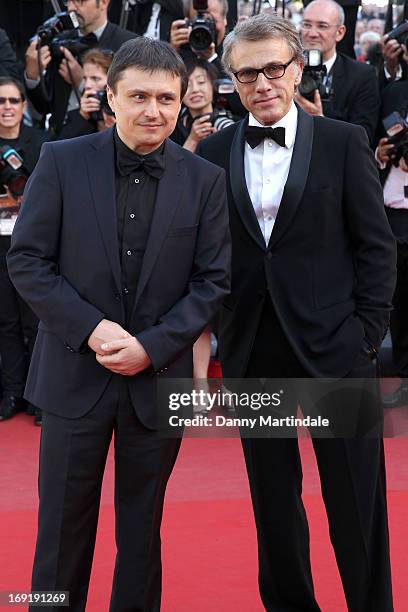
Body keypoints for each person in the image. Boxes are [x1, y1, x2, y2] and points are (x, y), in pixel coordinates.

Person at [7, 36, 230, 611]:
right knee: (58, 535)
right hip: (72, 378)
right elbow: (27, 260)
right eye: (138, 97)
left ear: (183, 103)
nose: (153, 111)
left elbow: (212, 283)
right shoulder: (61, 160)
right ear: (111, 96)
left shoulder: (205, 181)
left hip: (157, 386)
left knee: (141, 533)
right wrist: (92, 329)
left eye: (166, 98)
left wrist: (150, 348)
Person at [198, 13, 395, 612]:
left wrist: (365, 335)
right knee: (274, 505)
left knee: (355, 503)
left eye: (274, 69)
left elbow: (376, 246)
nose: (262, 83)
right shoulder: (211, 150)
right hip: (254, 346)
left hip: (337, 346)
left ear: (297, 69)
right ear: (231, 79)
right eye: (247, 73)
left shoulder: (341, 141)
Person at [0, 77, 48, 425]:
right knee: (6, 323)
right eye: (1, 101)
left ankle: (38, 395)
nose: (7, 107)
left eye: (14, 101)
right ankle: (13, 392)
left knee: (36, 321)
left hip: (32, 244)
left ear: (23, 106)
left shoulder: (41, 143)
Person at [24, 0, 135, 134]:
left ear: (104, 3)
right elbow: (44, 105)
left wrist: (81, 82)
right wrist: (32, 73)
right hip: (60, 138)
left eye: (80, 1)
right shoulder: (58, 40)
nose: (71, 8)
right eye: (68, 2)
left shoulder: (129, 45)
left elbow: (132, 100)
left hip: (105, 138)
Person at [297, 0, 380, 146]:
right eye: (307, 25)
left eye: (322, 26)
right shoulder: (283, 69)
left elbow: (363, 137)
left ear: (340, 33)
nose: (312, 33)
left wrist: (320, 120)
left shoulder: (362, 76)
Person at [376, 77, 408, 408]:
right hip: (394, 217)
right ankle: (404, 379)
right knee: (399, 306)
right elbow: (373, 139)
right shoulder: (392, 92)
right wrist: (383, 153)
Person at [59, 48, 115, 139]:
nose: (87, 85)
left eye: (95, 78)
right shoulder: (76, 115)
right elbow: (61, 149)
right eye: (85, 78)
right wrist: (82, 117)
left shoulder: (128, 111)